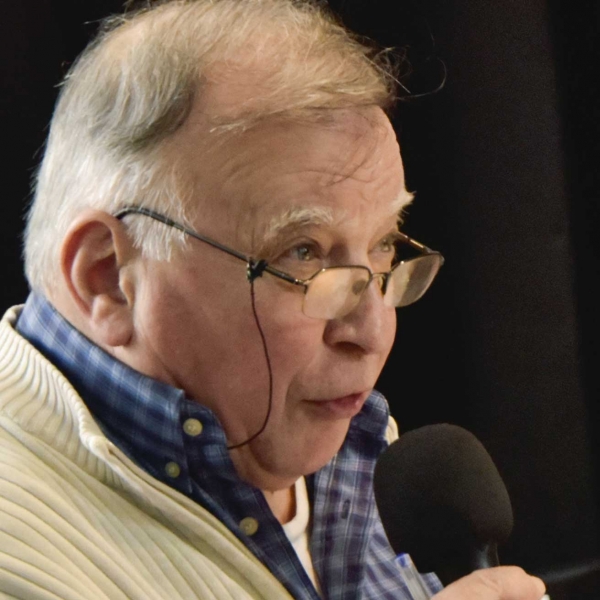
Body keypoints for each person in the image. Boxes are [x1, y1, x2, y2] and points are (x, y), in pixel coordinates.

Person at [0, 1, 546, 599]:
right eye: (303, 253)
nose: (372, 330)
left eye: (384, 244)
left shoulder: (360, 455)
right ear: (107, 277)